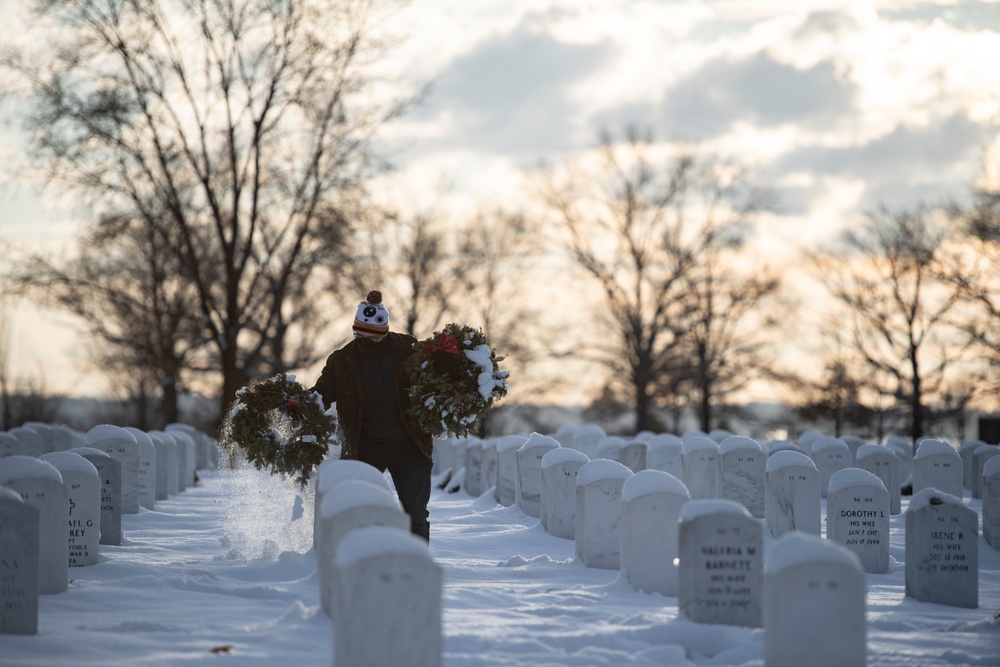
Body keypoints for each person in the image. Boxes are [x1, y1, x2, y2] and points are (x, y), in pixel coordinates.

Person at [311, 290, 434, 540]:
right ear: (354, 330)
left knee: (415, 514)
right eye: (361, 335)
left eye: (375, 337)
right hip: (363, 447)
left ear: (385, 332)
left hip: (409, 445)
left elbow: (434, 378)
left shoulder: (408, 350)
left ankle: (415, 568)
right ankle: (365, 564)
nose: (367, 341)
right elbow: (321, 395)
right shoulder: (341, 361)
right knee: (358, 511)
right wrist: (299, 405)